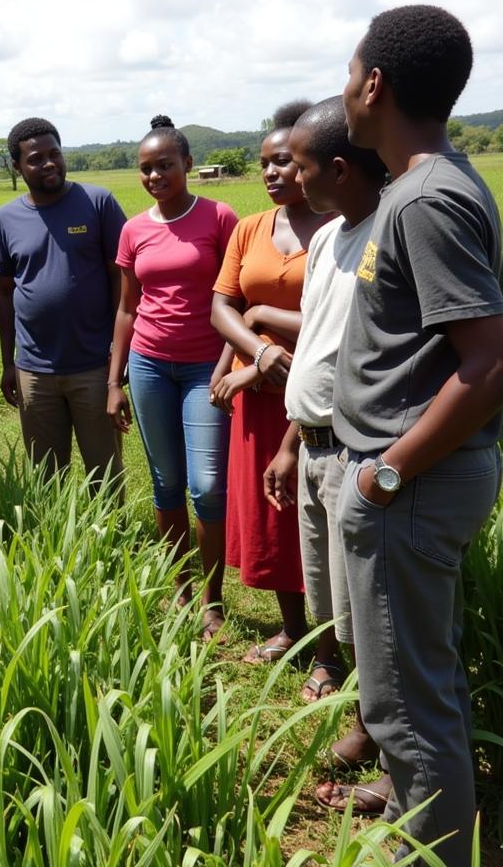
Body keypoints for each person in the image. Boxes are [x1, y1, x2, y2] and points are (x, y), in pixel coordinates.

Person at [333, 5, 503, 866]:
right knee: (409, 675)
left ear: (373, 84)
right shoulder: (418, 187)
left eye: (348, 69)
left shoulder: (428, 198)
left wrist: (386, 475)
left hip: (412, 480)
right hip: (411, 475)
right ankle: (413, 800)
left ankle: (429, 852)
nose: (344, 86)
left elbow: (488, 361)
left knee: (408, 696)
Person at [260, 97, 392, 812]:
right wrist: (287, 444)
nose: (288, 178)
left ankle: (383, 738)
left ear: (337, 169)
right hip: (310, 445)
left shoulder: (389, 233)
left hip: (356, 453)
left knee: (370, 612)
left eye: (299, 164)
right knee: (332, 605)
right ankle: (370, 726)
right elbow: (314, 349)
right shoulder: (327, 240)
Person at [211, 100, 334, 664]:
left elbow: (338, 318)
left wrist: (261, 323)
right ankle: (291, 628)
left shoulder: (339, 229)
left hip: (315, 398)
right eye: (264, 162)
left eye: (283, 161)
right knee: (272, 512)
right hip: (257, 399)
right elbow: (222, 307)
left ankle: (333, 643)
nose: (271, 172)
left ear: (311, 162)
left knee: (321, 514)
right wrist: (256, 352)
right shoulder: (250, 228)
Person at [106, 116, 238, 638]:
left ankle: (213, 598)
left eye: (165, 164)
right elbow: (126, 309)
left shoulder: (220, 217)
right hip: (149, 365)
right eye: (146, 168)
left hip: (206, 366)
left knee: (206, 487)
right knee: (165, 482)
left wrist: (229, 365)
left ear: (187, 163)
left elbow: (237, 299)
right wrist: (114, 380)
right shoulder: (134, 229)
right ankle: (181, 588)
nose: (155, 175)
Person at [0, 117, 126, 488]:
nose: (49, 163)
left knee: (105, 473)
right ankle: (60, 544)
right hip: (34, 370)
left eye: (55, 154)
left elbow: (121, 278)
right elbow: (4, 293)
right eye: (36, 158)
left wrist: (118, 351)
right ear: (17, 166)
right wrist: (7, 363)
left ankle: (112, 541)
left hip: (95, 364)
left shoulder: (98, 202)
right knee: (47, 479)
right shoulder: (6, 218)